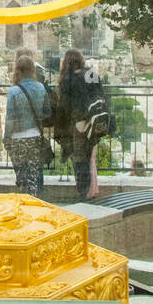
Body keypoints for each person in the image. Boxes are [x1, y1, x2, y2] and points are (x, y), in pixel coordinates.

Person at [56, 49, 106, 202]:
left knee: (79, 159)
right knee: (90, 157)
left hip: (78, 124)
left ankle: (84, 192)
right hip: (95, 123)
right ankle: (92, 191)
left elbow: (64, 106)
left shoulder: (68, 79)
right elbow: (102, 96)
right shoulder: (91, 74)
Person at [4, 55, 51, 199]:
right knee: (33, 177)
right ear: (32, 70)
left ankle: (22, 205)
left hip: (17, 138)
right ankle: (34, 205)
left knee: (21, 177)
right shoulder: (41, 88)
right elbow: (47, 112)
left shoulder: (14, 91)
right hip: (35, 136)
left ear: (17, 70)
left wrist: (6, 137)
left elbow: (10, 118)